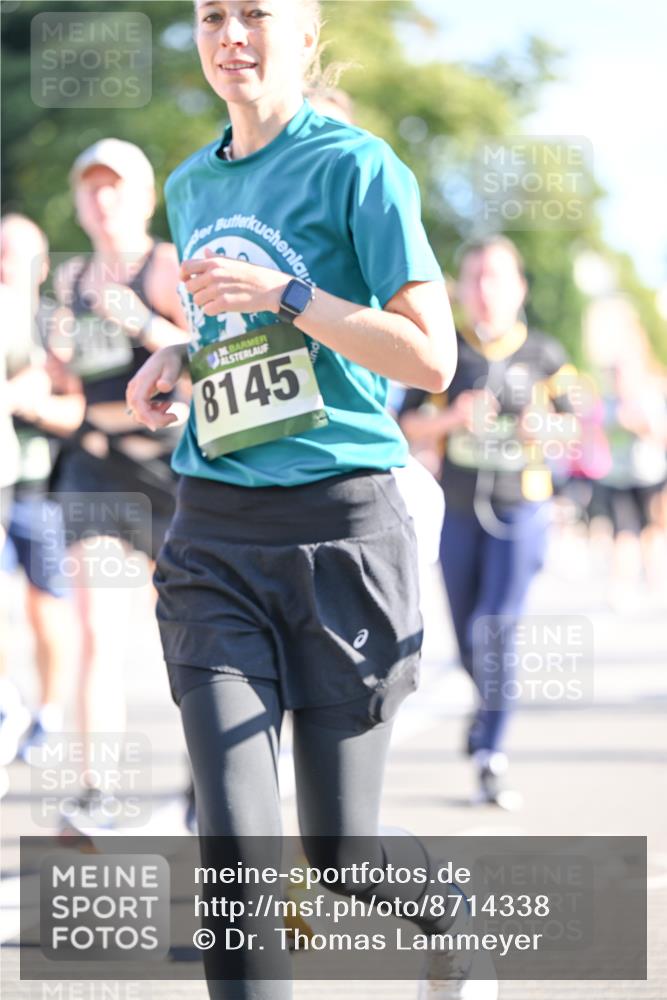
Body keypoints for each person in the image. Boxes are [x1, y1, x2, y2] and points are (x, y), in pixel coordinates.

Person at [127, 2, 495, 999]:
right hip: (214, 536)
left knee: (339, 854)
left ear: (304, 33)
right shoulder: (193, 180)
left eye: (256, 14)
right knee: (237, 852)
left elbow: (429, 355)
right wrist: (179, 353)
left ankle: (449, 915)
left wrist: (288, 292)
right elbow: (228, 333)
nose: (231, 35)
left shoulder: (358, 167)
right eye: (212, 16)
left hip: (341, 534)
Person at [400, 235, 577, 808]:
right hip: (458, 512)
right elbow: (403, 428)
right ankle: (485, 713)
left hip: (521, 508)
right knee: (469, 633)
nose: (484, 290)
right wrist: (450, 417)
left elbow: (580, 426)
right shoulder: (445, 355)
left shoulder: (546, 354)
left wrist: (542, 430)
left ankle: (490, 755)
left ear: (518, 287)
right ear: (459, 291)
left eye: (495, 277)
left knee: (497, 628)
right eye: (473, 278)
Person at [48, 139, 189, 822]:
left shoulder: (166, 267)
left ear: (145, 197)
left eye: (116, 187)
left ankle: (210, 780)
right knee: (97, 630)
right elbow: (63, 387)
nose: (103, 201)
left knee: (192, 632)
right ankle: (95, 788)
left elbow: (212, 360)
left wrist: (142, 321)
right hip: (97, 463)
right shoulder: (69, 281)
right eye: (91, 189)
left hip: (171, 466)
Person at [0, 214, 82, 763]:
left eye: (20, 253)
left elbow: (76, 410)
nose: (9, 263)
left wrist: (35, 402)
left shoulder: (58, 323)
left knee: (45, 607)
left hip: (44, 486)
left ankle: (49, 716)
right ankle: (9, 704)